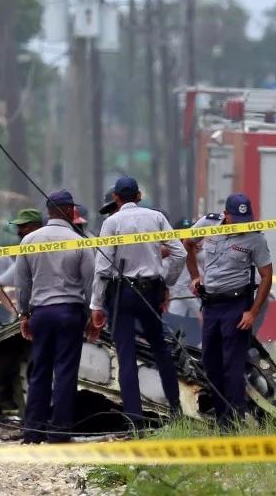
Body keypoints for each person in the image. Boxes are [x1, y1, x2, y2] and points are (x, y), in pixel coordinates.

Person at [89, 176, 186, 421]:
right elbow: (180, 253)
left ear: (116, 198)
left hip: (123, 293)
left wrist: (96, 305)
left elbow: (102, 269)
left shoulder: (111, 222)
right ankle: (176, 410)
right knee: (161, 350)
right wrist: (166, 281)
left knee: (126, 355)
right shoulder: (156, 218)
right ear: (139, 196)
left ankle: (135, 418)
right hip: (151, 292)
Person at [13, 191, 94, 444]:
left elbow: (22, 284)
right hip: (70, 313)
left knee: (40, 371)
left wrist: (23, 314)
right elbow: (90, 282)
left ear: (48, 211)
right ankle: (59, 432)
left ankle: (33, 430)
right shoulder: (79, 241)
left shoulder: (29, 241)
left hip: (42, 313)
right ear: (70, 211)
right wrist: (93, 314)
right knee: (66, 372)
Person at [187, 193, 273, 427]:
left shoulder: (255, 238)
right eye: (236, 218)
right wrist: (195, 276)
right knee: (210, 363)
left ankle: (233, 421)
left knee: (232, 366)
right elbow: (187, 243)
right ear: (225, 215)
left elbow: (266, 276)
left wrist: (253, 311)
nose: (241, 224)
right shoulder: (207, 224)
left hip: (237, 306)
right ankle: (222, 412)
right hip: (211, 305)